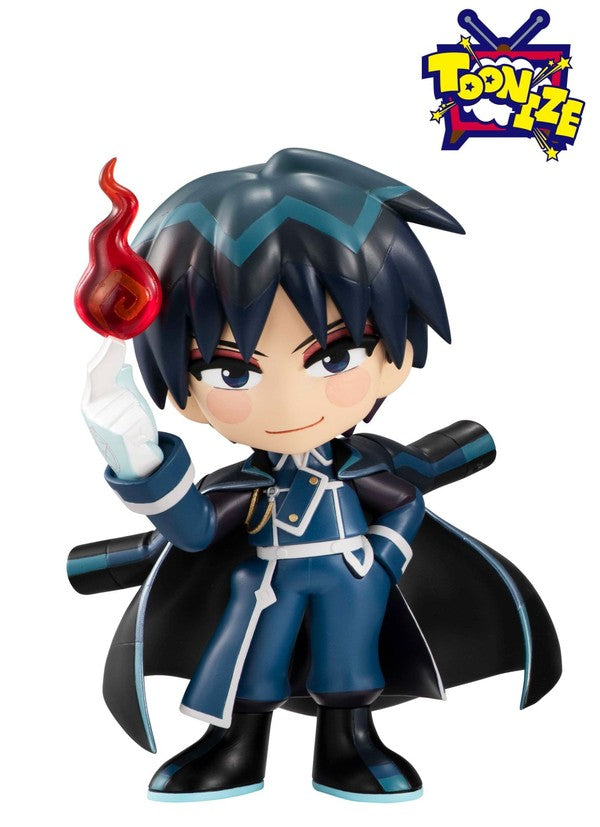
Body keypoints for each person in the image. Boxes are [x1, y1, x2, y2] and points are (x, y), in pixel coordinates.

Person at [69, 148, 561, 803]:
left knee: (349, 664)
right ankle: (235, 745)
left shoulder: (359, 468)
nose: (286, 402)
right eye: (231, 372)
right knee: (252, 665)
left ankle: (349, 743)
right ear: (186, 396)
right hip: (267, 582)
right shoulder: (245, 487)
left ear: (393, 360)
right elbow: (193, 531)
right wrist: (138, 458)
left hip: (351, 574)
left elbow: (404, 500)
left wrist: (382, 557)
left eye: (334, 356)